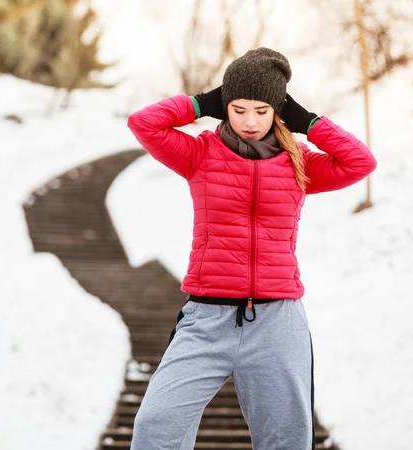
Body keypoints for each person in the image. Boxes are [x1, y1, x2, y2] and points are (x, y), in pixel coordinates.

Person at [126, 47, 377, 450]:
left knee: (287, 439)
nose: (248, 121)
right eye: (238, 108)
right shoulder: (201, 153)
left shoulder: (301, 164)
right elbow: (144, 124)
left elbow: (359, 162)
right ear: (225, 106)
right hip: (206, 319)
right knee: (157, 426)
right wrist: (200, 103)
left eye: (262, 110)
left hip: (277, 322)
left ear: (278, 110)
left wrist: (308, 123)